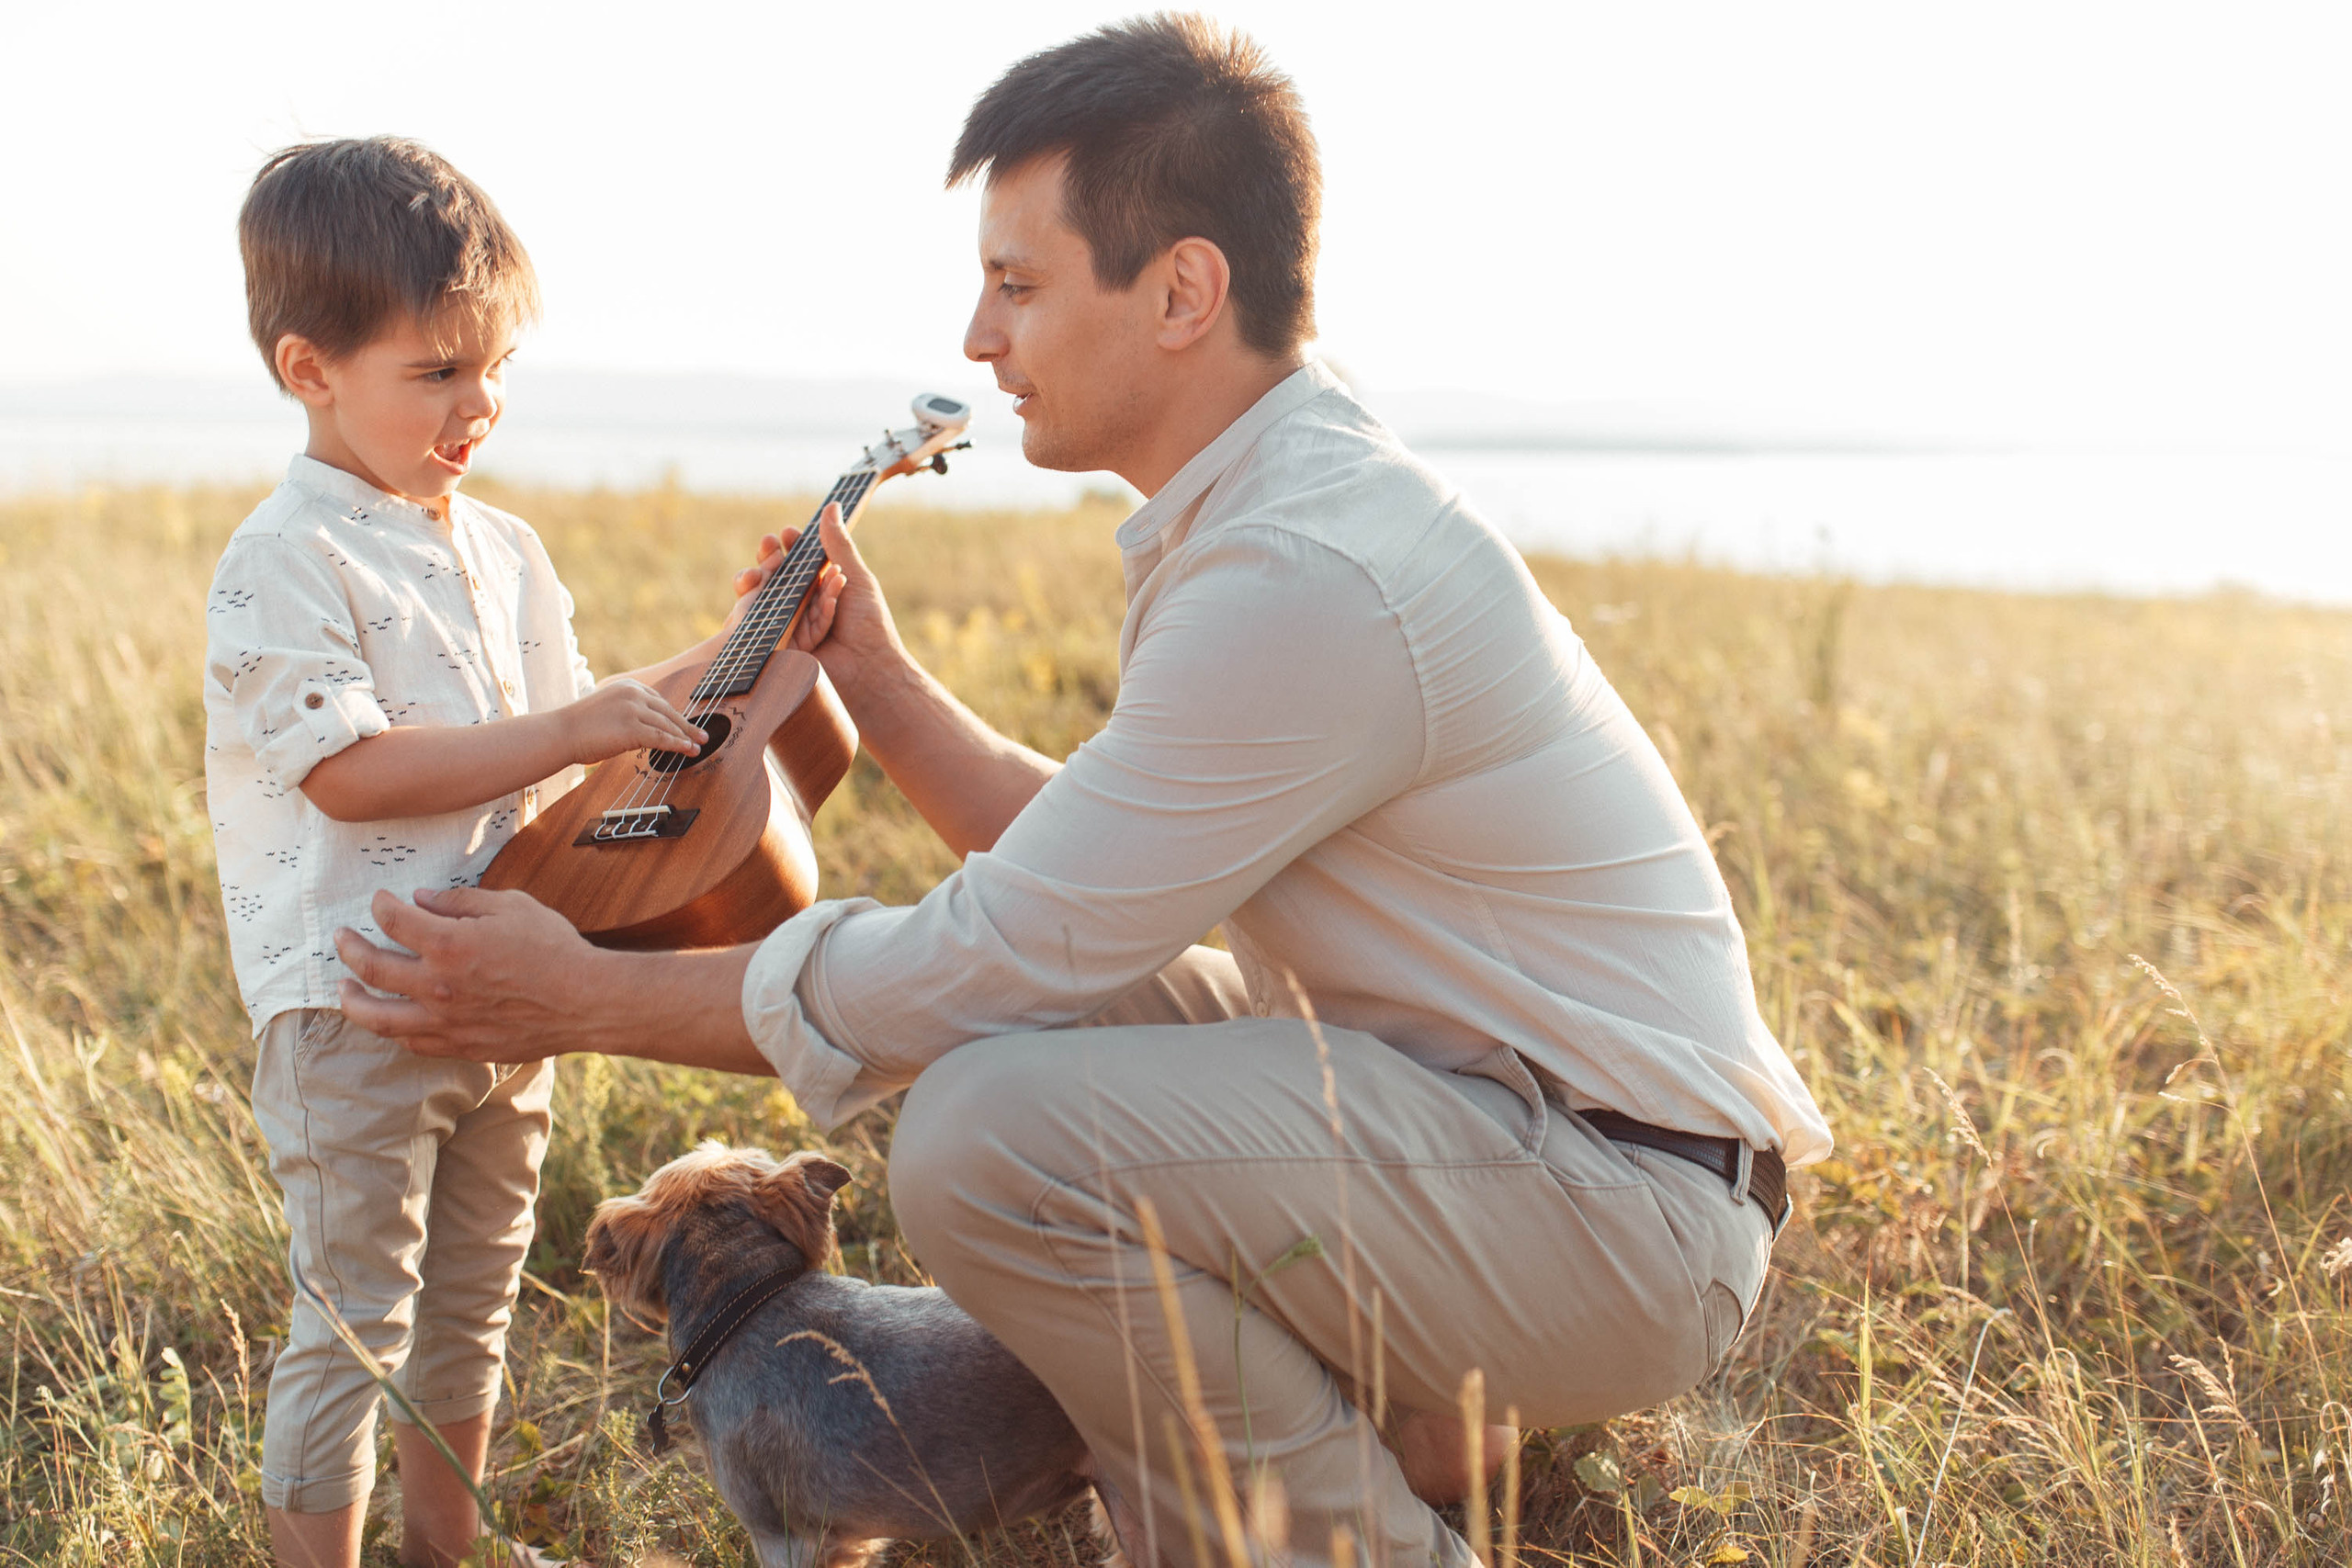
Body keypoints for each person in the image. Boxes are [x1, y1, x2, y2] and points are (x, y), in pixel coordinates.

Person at [335, 17, 1835, 1566]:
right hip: (1495, 1126)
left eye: (1019, 284)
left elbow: (1002, 946)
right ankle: (1373, 1430)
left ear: (1183, 291)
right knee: (1052, 1031)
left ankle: (1344, 1542)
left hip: (1614, 1209)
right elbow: (1102, 875)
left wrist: (575, 996)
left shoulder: (1308, 575)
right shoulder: (1270, 503)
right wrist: (880, 683)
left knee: (987, 1130)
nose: (980, 340)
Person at [205, 136, 710, 1568]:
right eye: (435, 374)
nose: (477, 405)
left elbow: (597, 729)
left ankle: (451, 1551)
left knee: (473, 1307)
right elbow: (356, 773)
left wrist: (758, 636)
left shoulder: (508, 551)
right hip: (355, 1005)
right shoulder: (285, 555)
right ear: (312, 369)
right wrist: (565, 729)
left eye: (492, 368)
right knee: (355, 1322)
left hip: (506, 989)